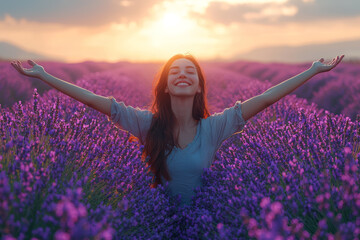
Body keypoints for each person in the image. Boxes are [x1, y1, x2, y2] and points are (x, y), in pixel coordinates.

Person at [11, 53, 344, 206]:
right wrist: (43, 77)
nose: (182, 74)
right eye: (175, 72)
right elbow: (96, 100)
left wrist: (312, 71)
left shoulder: (215, 128)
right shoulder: (146, 124)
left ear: (199, 86)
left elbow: (267, 98)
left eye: (190, 71)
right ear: (166, 87)